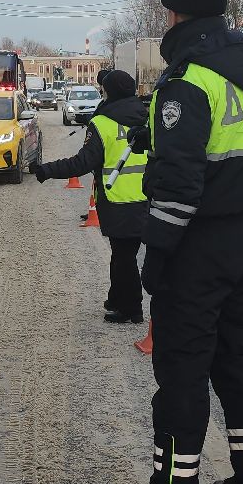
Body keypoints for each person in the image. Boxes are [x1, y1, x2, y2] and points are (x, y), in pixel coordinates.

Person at [133, 0, 243, 484]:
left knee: (182, 369)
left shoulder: (188, 79)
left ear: (173, 13)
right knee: (238, 358)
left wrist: (157, 255)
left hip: (194, 242)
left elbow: (179, 184)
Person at [32, 69, 150, 323]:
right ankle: (117, 298)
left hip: (118, 199)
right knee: (123, 254)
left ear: (111, 93)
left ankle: (131, 309)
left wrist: (46, 170)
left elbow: (81, 163)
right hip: (147, 197)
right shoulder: (147, 117)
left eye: (104, 90)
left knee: (124, 257)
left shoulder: (102, 123)